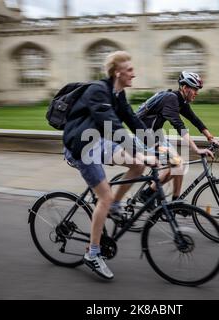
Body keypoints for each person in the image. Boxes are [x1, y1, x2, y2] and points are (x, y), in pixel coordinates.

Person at [62, 51, 155, 280]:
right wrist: (140, 152)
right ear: (117, 72)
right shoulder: (98, 90)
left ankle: (115, 206)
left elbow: (132, 120)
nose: (134, 73)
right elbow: (112, 125)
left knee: (137, 166)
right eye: (130, 70)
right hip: (82, 148)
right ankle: (92, 254)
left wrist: (154, 146)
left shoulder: (118, 93)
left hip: (99, 142)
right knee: (104, 196)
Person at [137, 71, 219, 202]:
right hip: (145, 138)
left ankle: (176, 202)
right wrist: (196, 149)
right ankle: (146, 194)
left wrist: (211, 138)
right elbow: (179, 126)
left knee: (179, 163)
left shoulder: (180, 100)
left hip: (155, 135)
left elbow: (194, 120)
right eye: (195, 89)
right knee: (178, 165)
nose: (197, 93)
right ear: (184, 88)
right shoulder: (171, 99)